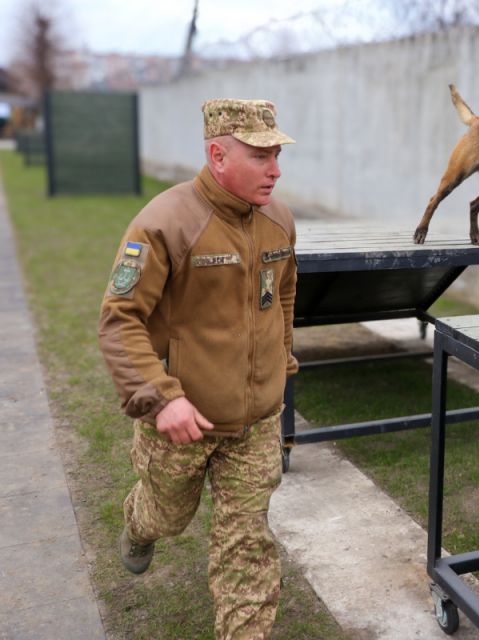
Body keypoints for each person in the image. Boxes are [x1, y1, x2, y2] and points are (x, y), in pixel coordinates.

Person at [98, 98, 298, 639]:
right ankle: (139, 520)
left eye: (277, 155)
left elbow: (281, 296)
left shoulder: (279, 219)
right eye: (261, 157)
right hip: (183, 422)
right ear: (217, 154)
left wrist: (283, 357)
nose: (275, 170)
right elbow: (120, 322)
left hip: (255, 423)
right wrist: (163, 398)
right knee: (169, 518)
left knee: (246, 543)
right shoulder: (164, 223)